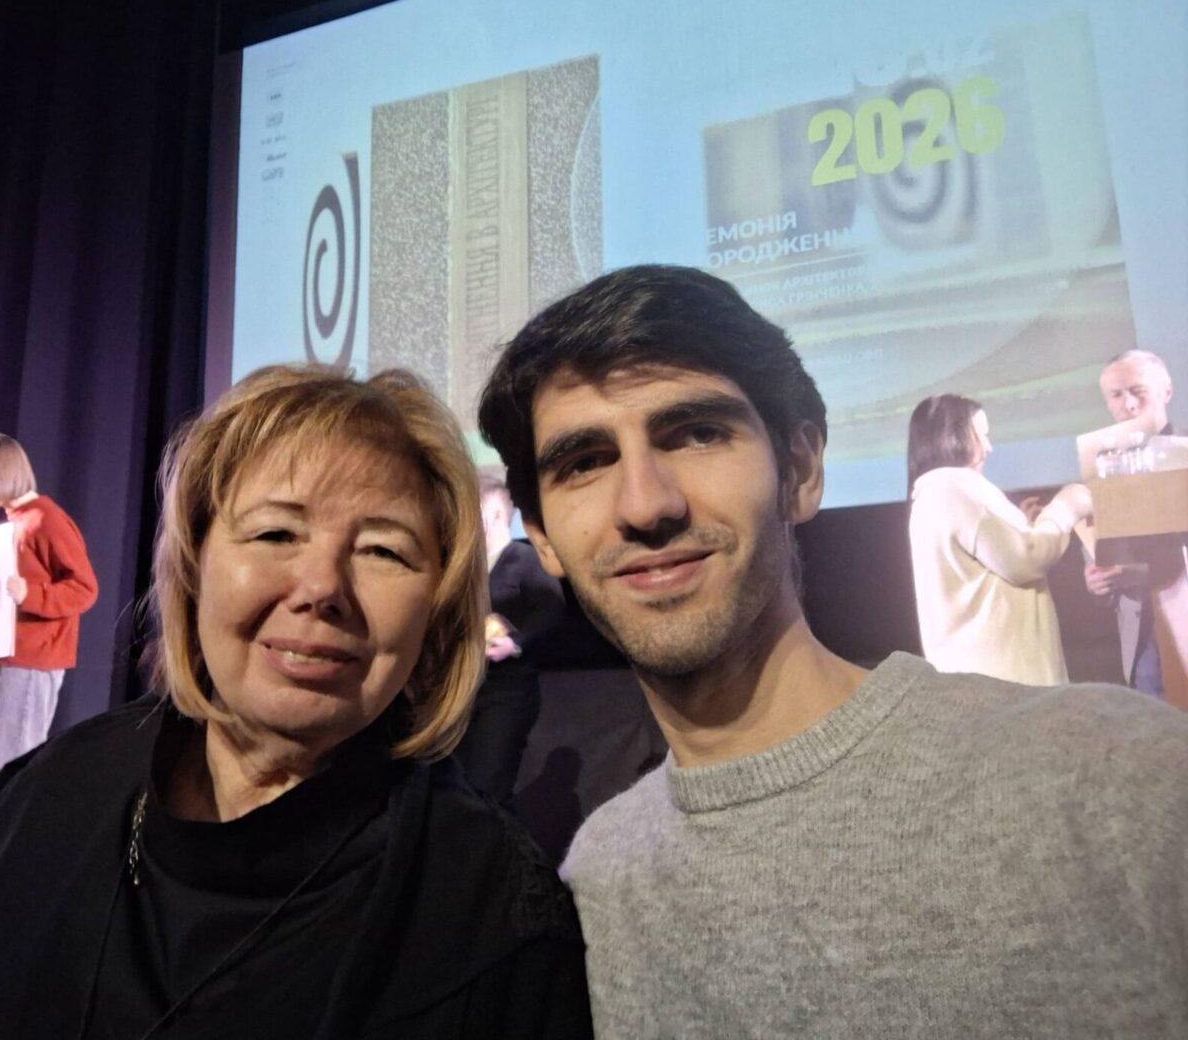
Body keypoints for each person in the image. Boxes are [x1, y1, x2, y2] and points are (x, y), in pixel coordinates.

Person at [477, 264, 1188, 1038]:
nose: (646, 505)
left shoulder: (1118, 779)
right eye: (584, 463)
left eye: (699, 433)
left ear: (803, 470)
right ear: (542, 536)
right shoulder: (594, 886)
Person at [0, 367, 591, 1039]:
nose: (322, 587)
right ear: (194, 565)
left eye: (382, 550)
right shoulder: (39, 796)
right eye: (275, 533)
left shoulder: (495, 918)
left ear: (436, 611)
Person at [905, 394, 1090, 685]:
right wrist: (1065, 508)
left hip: (980, 678)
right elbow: (1026, 559)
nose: (988, 448)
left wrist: (1019, 525)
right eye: (981, 435)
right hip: (1005, 681)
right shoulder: (953, 488)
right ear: (953, 436)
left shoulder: (933, 493)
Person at [0, 432, 97, 802]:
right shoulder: (14, 522)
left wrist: (30, 595)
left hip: (31, 662)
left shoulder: (44, 520)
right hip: (3, 658)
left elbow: (84, 588)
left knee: (5, 767)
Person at [455, 468, 565, 805]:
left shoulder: (524, 559)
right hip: (463, 690)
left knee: (488, 785)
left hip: (506, 690)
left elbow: (552, 609)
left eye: (472, 509)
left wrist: (515, 642)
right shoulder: (466, 567)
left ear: (497, 513)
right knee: (458, 784)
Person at [1084, 349, 1180, 696]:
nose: (1128, 404)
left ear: (1166, 391)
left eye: (1138, 391)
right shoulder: (1103, 470)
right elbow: (1097, 548)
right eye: (1116, 395)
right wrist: (1098, 581)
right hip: (1142, 644)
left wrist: (1142, 572)